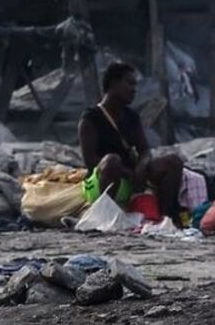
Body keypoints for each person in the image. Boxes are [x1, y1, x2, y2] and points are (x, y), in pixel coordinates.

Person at [78, 62, 185, 223]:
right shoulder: (90, 118)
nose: (134, 89)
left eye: (135, 84)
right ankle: (104, 217)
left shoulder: (131, 117)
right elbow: (91, 162)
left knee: (173, 162)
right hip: (103, 181)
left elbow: (145, 151)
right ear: (113, 84)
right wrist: (128, 172)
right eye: (129, 83)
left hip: (132, 181)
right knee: (112, 160)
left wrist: (141, 167)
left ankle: (166, 217)